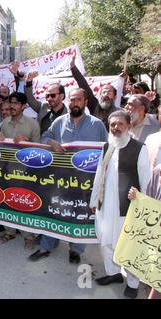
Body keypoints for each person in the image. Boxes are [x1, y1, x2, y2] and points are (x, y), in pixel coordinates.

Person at [29, 88, 108, 263]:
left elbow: (107, 150)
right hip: (59, 178)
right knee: (55, 209)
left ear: (85, 102)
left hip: (85, 182)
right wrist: (52, 142)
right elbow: (44, 137)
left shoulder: (97, 125)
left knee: (79, 213)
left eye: (78, 100)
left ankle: (76, 250)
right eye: (72, 100)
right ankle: (47, 246)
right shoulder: (59, 122)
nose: (74, 103)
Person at [90, 110, 150, 299]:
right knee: (105, 241)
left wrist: (142, 203)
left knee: (128, 245)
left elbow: (146, 180)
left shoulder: (140, 148)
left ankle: (133, 283)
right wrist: (93, 200)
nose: (116, 128)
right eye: (112, 125)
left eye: (120, 124)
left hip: (127, 207)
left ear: (129, 126)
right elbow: (99, 174)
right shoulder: (108, 146)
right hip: (105, 204)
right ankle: (113, 273)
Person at [0, 92, 41, 249]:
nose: (12, 106)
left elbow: (40, 153)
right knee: (7, 200)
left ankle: (28, 235)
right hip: (7, 170)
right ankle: (10, 231)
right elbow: (0, 148)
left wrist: (27, 143)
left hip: (26, 172)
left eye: (16, 103)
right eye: (11, 103)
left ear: (24, 106)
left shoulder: (32, 125)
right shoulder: (5, 123)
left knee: (23, 203)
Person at [128, 164, 161, 299]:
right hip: (156, 238)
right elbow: (150, 201)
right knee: (155, 282)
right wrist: (137, 198)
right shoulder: (158, 171)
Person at [70, 51, 120, 131]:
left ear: (115, 96)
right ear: (100, 95)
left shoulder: (120, 112)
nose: (106, 95)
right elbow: (83, 85)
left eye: (109, 92)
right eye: (104, 92)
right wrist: (73, 67)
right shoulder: (95, 106)